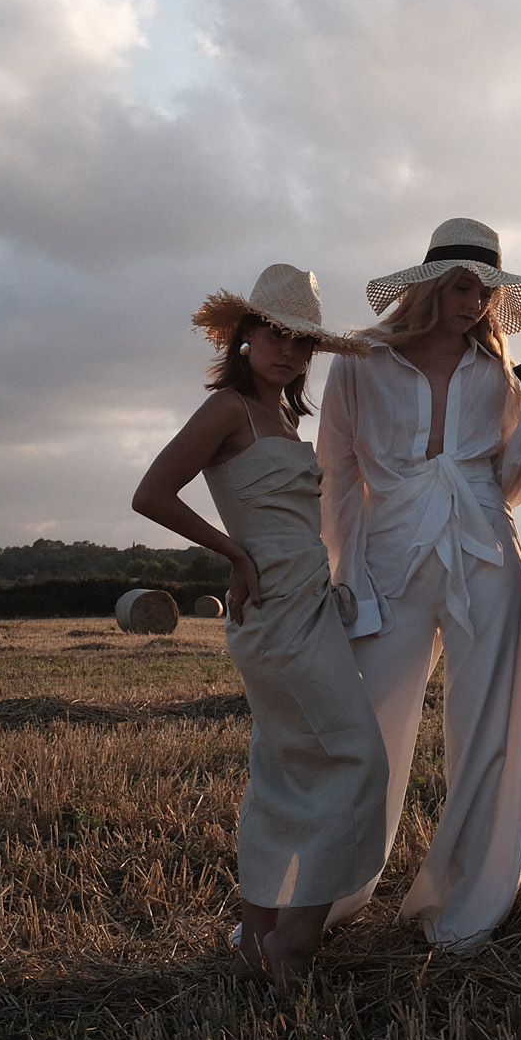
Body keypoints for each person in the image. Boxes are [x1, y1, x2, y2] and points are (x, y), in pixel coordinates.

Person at [132, 264, 389, 991]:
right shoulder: (229, 409)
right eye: (274, 334)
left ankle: (258, 939)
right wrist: (231, 551)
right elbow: (150, 492)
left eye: (302, 341)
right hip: (272, 608)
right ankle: (297, 939)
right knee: (359, 759)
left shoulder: (285, 419)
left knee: (280, 768)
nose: (288, 350)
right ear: (244, 336)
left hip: (310, 597)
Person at [316, 218, 521, 952]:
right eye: (461, 285)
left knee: (490, 731)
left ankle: (465, 907)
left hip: (486, 552)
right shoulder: (361, 362)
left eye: (487, 289)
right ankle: (330, 893)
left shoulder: (500, 376)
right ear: (426, 287)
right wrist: (344, 570)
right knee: (367, 730)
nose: (476, 300)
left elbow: (507, 484)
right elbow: (335, 475)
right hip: (388, 559)